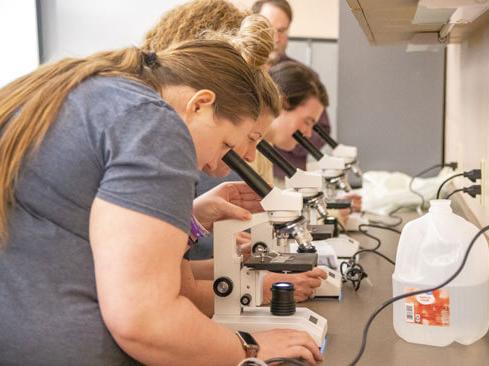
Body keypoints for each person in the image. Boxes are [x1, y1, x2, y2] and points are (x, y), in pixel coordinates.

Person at [0, 32, 322, 366]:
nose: (216, 167)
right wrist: (251, 349)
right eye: (227, 145)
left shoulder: (97, 92)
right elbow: (145, 321)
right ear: (199, 104)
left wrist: (189, 218)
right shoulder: (155, 125)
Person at [142, 0, 329, 303]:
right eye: (233, 143)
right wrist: (245, 344)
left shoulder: (156, 127)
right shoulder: (156, 146)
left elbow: (169, 272)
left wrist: (196, 220)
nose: (246, 156)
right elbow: (155, 302)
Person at [252, 0, 333, 179]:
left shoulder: (305, 79)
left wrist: (289, 139)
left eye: (281, 31)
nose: (274, 38)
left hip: (286, 175)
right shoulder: (239, 77)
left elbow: (321, 129)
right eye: (268, 28)